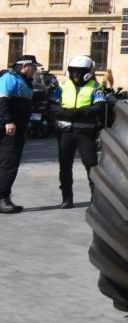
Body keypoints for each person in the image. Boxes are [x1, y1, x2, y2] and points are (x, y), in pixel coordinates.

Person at [50, 56, 107, 208]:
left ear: (88, 72)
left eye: (80, 71)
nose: (76, 74)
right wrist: (64, 112)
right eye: (73, 71)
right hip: (65, 131)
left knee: (91, 165)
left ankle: (95, 199)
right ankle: (66, 198)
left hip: (85, 131)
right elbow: (52, 106)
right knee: (65, 166)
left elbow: (100, 106)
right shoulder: (61, 86)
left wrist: (80, 112)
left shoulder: (96, 87)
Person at [0, 56, 41, 214]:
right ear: (25, 66)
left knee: (9, 162)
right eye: (34, 67)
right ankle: (2, 198)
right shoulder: (9, 78)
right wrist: (8, 122)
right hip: (8, 129)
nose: (35, 71)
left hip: (17, 129)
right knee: (8, 163)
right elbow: (1, 101)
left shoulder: (24, 82)